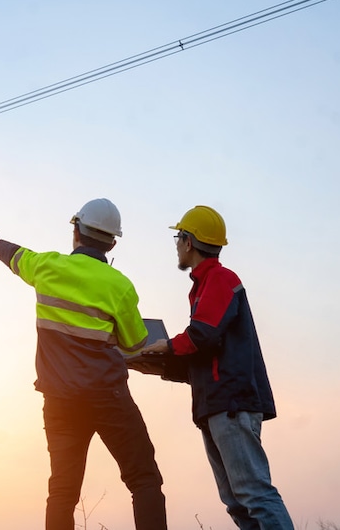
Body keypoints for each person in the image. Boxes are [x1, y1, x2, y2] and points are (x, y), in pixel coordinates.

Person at [0, 198, 167, 530]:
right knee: (144, 480)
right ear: (112, 242)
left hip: (60, 402)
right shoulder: (120, 285)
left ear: (76, 231)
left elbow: (15, 255)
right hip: (109, 398)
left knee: (63, 492)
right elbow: (135, 343)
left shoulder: (47, 266)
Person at [133, 205, 293, 530]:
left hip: (231, 406)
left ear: (189, 242)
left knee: (254, 494)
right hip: (215, 406)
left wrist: (166, 345)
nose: (176, 244)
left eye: (178, 237)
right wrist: (152, 365)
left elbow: (202, 335)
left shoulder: (221, 279)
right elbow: (205, 357)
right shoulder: (203, 285)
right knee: (237, 502)